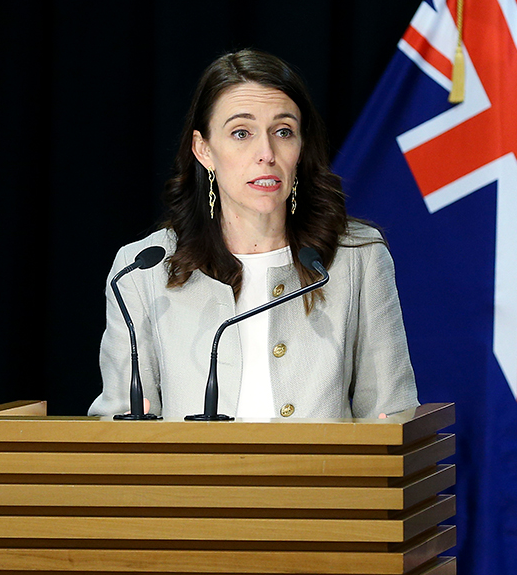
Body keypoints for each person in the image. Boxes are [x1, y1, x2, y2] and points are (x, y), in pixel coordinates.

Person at [89, 49, 417, 420]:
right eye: (241, 133)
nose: (266, 153)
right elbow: (118, 420)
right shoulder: (142, 269)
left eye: (283, 131)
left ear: (301, 146)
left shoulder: (357, 257)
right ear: (204, 149)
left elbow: (392, 414)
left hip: (322, 478)